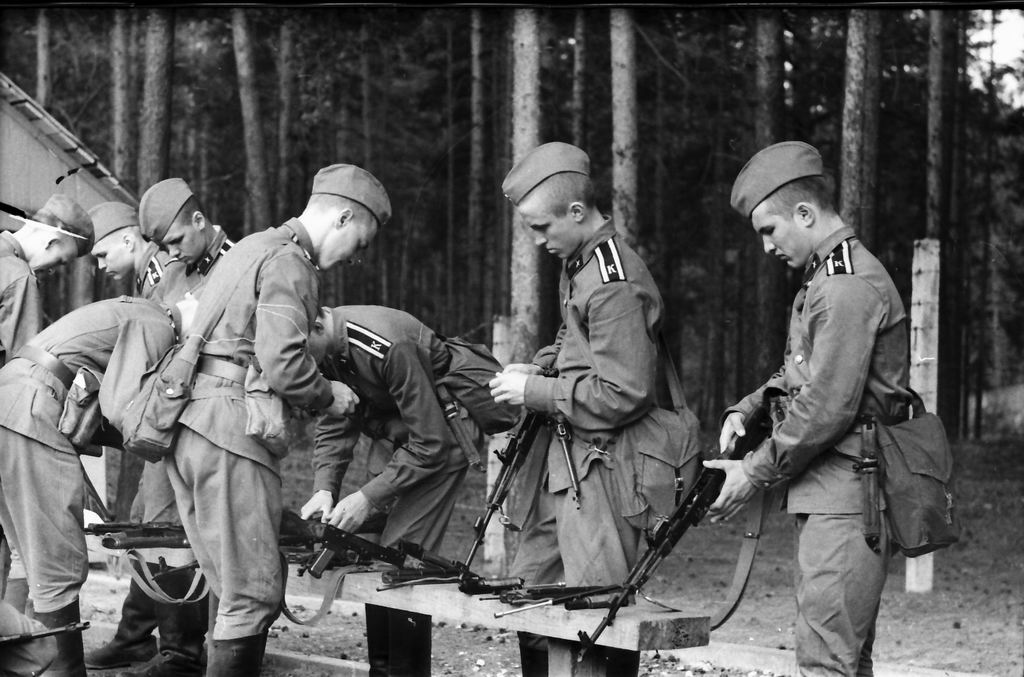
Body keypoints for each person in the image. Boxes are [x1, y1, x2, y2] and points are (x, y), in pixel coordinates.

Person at [161, 164, 390, 675]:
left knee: (229, 585)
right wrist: (329, 394)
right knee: (252, 594)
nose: (355, 257)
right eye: (359, 242)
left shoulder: (249, 248)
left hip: (190, 425)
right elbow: (284, 363)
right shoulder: (290, 262)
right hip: (231, 430)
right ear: (342, 217)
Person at [707, 141, 912, 676]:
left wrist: (753, 472)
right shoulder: (826, 277)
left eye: (769, 230)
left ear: (804, 213)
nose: (766, 247)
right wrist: (750, 408)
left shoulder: (844, 285)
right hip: (834, 488)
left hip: (848, 490)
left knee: (826, 661)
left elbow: (826, 407)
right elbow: (804, 373)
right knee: (839, 658)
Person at [489, 142, 682, 676]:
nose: (537, 240)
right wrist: (539, 368)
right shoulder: (581, 263)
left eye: (541, 227)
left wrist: (536, 393)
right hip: (567, 463)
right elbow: (575, 340)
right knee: (530, 595)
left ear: (576, 212)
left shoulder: (613, 280)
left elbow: (624, 392)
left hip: (605, 471)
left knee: (596, 613)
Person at [0, 296, 182, 677]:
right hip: (33, 407)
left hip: (11, 397)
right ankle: (63, 670)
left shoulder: (130, 311)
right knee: (56, 559)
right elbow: (125, 408)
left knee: (23, 548)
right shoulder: (157, 325)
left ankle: (19, 663)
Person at [300, 305, 479, 677]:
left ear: (317, 325)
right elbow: (336, 419)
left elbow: (431, 443)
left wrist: (367, 497)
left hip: (441, 439)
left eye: (299, 350)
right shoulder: (325, 348)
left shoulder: (387, 344)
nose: (299, 362)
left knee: (401, 558)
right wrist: (324, 489)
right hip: (399, 437)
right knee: (371, 550)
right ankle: (381, 670)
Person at [84, 201, 209, 677]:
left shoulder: (163, 269)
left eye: (102, 254)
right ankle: (135, 637)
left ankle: (181, 653)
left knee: (165, 529)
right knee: (146, 522)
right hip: (163, 416)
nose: (100, 266)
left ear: (128, 240)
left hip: (179, 415)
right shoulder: (153, 273)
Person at [0, 193, 92, 622]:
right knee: (21, 543)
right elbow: (25, 369)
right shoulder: (17, 276)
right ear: (52, 240)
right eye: (59, 261)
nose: (53, 269)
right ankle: (21, 646)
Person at [138, 178, 234, 278]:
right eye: (165, 246)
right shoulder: (172, 273)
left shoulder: (237, 264)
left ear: (198, 221)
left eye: (177, 241)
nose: (172, 253)